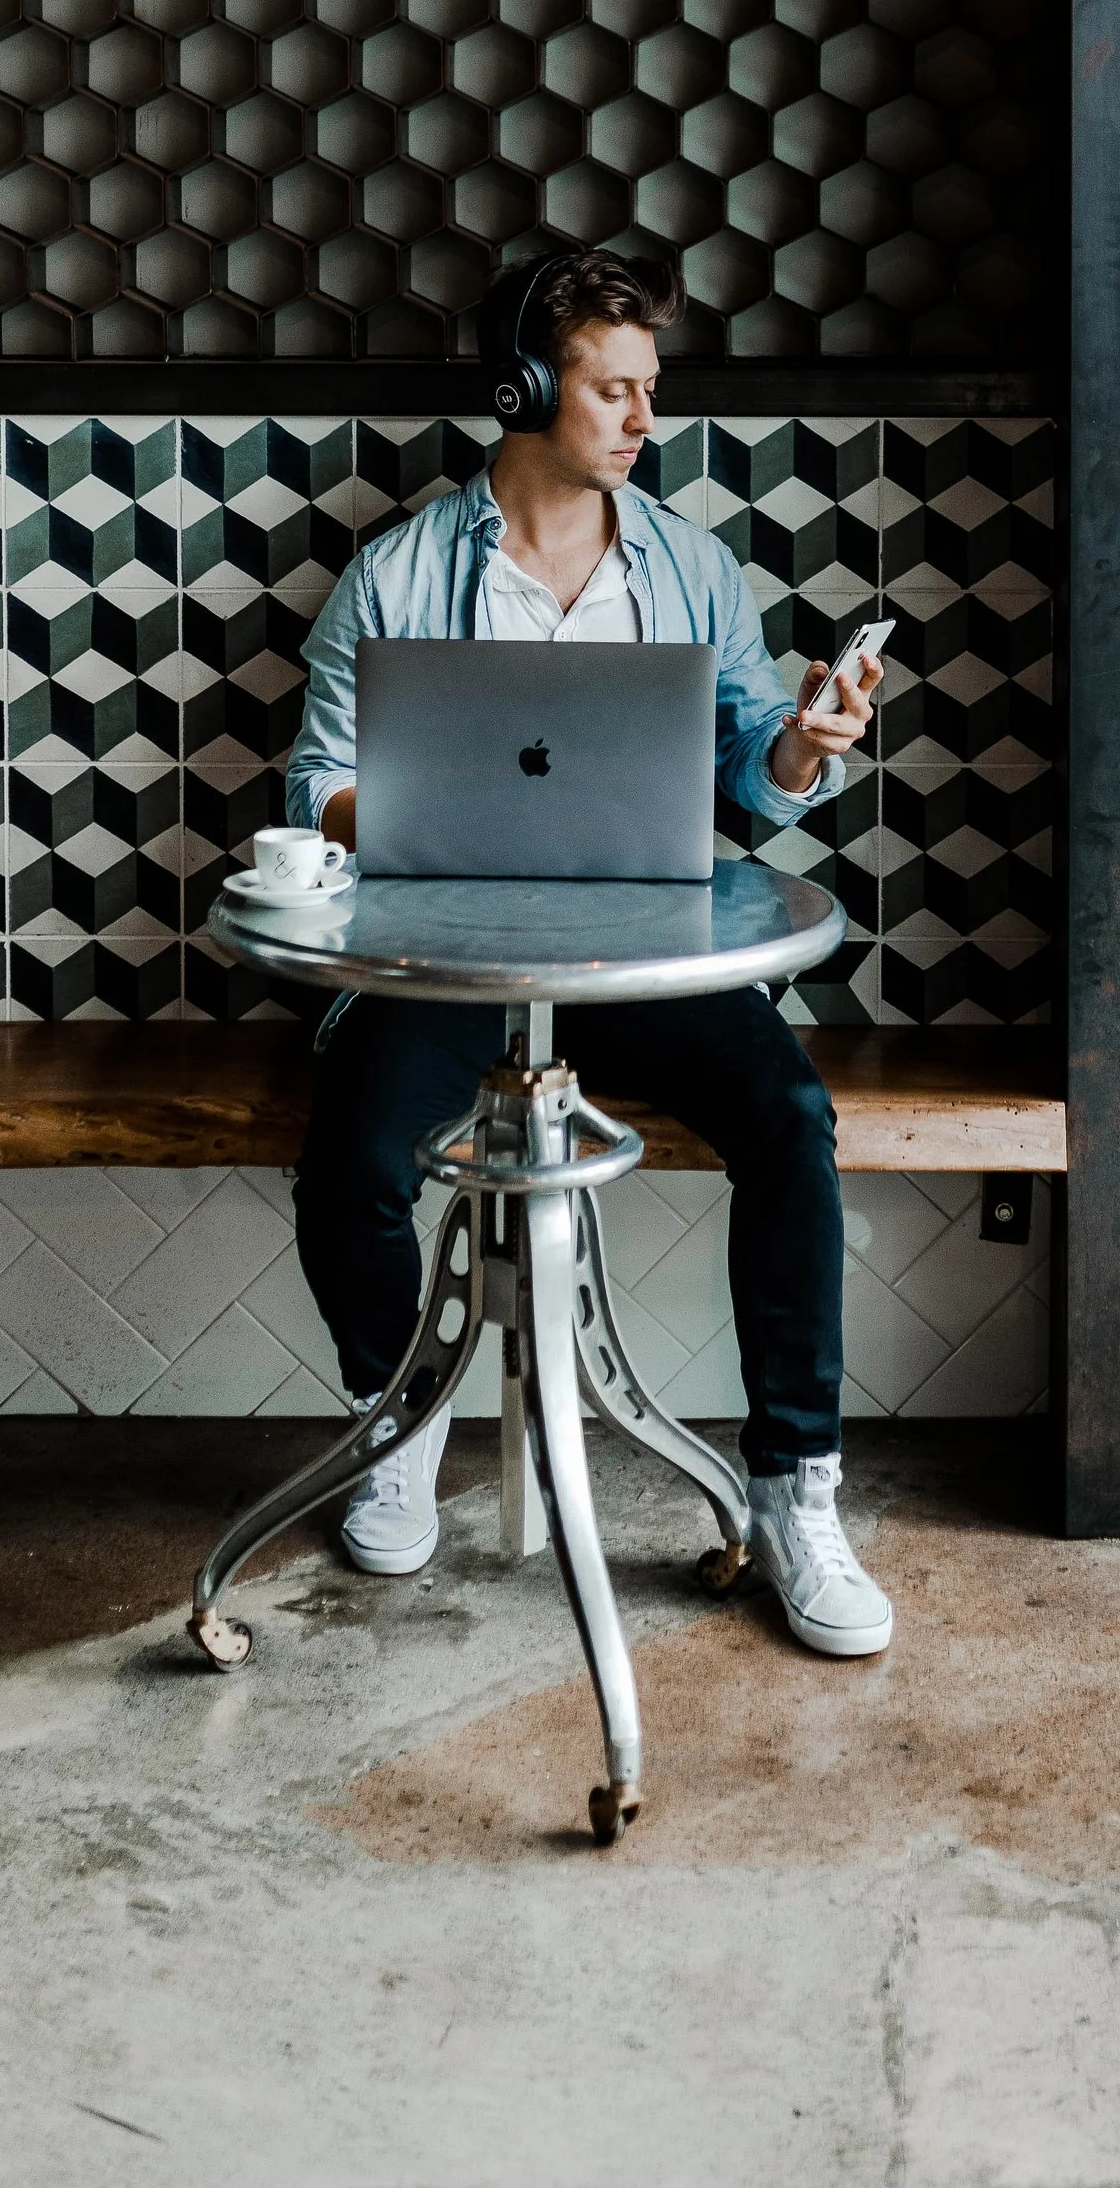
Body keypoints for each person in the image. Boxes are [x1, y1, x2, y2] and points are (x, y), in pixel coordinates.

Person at [280, 242, 895, 1659]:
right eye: (610, 388)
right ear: (523, 385)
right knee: (353, 1161)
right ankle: (399, 1420)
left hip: (643, 955)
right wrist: (432, 799)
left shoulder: (692, 568)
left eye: (647, 390)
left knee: (794, 1123)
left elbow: (750, 772)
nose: (639, 419)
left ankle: (796, 1484)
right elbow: (314, 786)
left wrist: (799, 744)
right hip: (443, 958)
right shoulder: (395, 573)